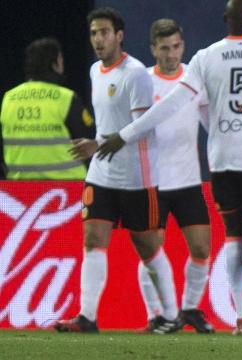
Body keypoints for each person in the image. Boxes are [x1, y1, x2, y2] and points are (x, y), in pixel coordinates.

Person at [95, 0, 242, 335]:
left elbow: (175, 102)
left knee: (234, 237)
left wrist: (126, 134)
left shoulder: (207, 56)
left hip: (222, 162)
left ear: (225, 20)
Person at [54, 7, 181, 333]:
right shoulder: (96, 70)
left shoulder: (135, 73)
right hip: (102, 174)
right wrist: (95, 143)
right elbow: (107, 125)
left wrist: (99, 144)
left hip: (136, 176)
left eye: (104, 32)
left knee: (148, 246)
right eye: (94, 33)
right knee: (93, 239)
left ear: (119, 35)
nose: (98, 39)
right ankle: (87, 317)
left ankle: (170, 314)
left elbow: (141, 127)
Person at [134, 18, 214, 334]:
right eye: (165, 48)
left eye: (177, 46)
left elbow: (210, 123)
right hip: (152, 183)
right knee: (152, 253)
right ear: (153, 48)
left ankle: (190, 308)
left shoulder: (195, 82)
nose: (172, 54)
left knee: (201, 249)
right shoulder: (142, 82)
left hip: (188, 181)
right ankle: (157, 315)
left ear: (183, 45)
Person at [0, 37, 94, 180]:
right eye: (60, 58)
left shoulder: (8, 98)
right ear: (55, 63)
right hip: (68, 191)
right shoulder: (65, 98)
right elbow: (90, 138)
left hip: (19, 192)